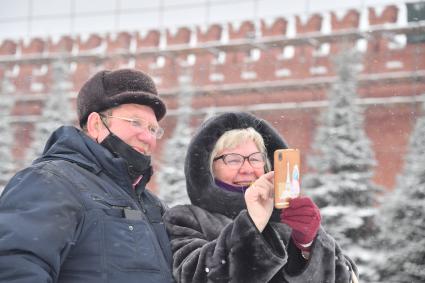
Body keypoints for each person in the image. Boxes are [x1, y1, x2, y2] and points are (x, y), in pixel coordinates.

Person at [0, 69, 174, 282]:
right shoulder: (51, 182)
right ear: (96, 125)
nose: (148, 137)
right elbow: (14, 267)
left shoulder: (153, 206)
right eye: (135, 122)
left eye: (153, 129)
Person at [163, 112, 359, 283]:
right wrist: (252, 223)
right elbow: (196, 276)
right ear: (209, 167)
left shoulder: (288, 217)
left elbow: (343, 277)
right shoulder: (185, 218)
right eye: (232, 159)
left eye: (255, 158)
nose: (247, 169)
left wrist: (308, 245)